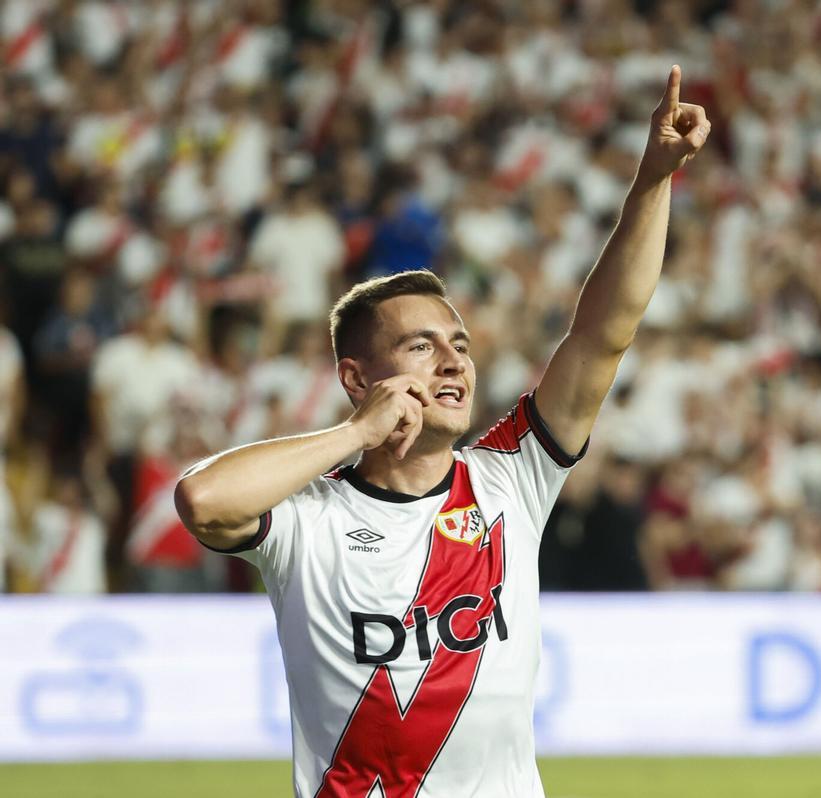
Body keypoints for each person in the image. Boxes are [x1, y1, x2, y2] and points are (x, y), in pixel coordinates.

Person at [175, 67, 709, 797]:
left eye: (458, 342)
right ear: (358, 379)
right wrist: (354, 435)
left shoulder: (510, 475)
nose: (454, 359)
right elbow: (202, 498)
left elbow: (601, 335)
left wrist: (652, 182)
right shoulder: (307, 517)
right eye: (421, 346)